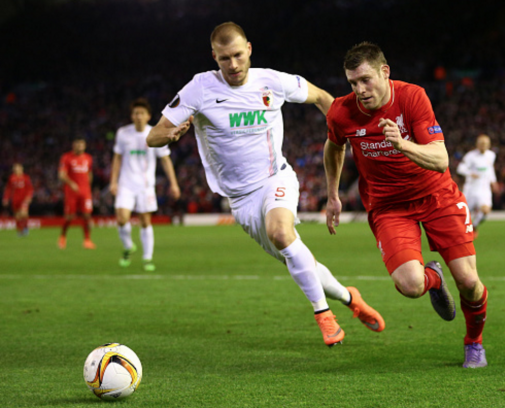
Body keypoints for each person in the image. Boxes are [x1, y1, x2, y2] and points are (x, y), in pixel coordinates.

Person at [146, 22, 384, 347]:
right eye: (224, 58)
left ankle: (324, 316)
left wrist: (350, 134)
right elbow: (153, 136)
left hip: (276, 178)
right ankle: (349, 297)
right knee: (297, 256)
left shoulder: (272, 81)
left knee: (282, 233)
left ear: (249, 50)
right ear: (214, 57)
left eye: (238, 55)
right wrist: (170, 134)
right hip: (241, 200)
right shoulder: (199, 89)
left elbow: (324, 98)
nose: (232, 65)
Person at [324, 42, 488, 368]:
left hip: (436, 196)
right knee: (412, 285)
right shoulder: (341, 112)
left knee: (469, 283)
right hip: (388, 206)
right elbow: (333, 147)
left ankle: (474, 342)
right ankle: (434, 280)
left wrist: (401, 144)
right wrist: (332, 195)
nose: (360, 90)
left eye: (366, 80)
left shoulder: (412, 97)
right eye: (353, 83)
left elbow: (440, 159)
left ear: (385, 72)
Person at [109, 98, 181, 272]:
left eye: (142, 113)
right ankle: (128, 246)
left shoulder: (155, 134)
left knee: (145, 221)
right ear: (132, 116)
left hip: (145, 185)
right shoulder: (123, 133)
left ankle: (147, 258)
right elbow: (117, 157)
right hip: (126, 183)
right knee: (121, 218)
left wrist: (174, 183)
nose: (139, 116)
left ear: (148, 116)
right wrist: (113, 181)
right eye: (136, 113)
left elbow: (165, 159)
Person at [456, 134, 499, 238]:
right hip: (471, 190)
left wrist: (494, 181)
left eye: (485, 143)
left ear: (489, 145)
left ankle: (474, 226)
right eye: (481, 143)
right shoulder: (470, 156)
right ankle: (460, 234)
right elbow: (460, 168)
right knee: (464, 215)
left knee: (486, 211)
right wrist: (470, 173)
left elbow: (490, 169)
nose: (483, 145)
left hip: (484, 189)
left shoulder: (491, 155)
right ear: (477, 144)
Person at [58, 137, 95, 249]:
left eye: (82, 145)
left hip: (85, 192)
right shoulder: (66, 157)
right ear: (73, 145)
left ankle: (87, 240)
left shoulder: (88, 158)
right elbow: (61, 175)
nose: (80, 147)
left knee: (87, 216)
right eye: (78, 144)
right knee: (69, 216)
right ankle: (63, 237)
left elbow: (89, 173)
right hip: (71, 192)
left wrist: (88, 186)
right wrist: (71, 184)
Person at [2, 163, 34, 237]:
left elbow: (30, 188)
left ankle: (25, 228)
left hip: (24, 199)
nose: (17, 170)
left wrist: (29, 197)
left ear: (21, 169)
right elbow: (8, 189)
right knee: (17, 216)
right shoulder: (11, 178)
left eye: (18, 168)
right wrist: (6, 198)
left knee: (24, 213)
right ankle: (20, 230)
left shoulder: (26, 177)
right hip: (15, 199)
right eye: (16, 169)